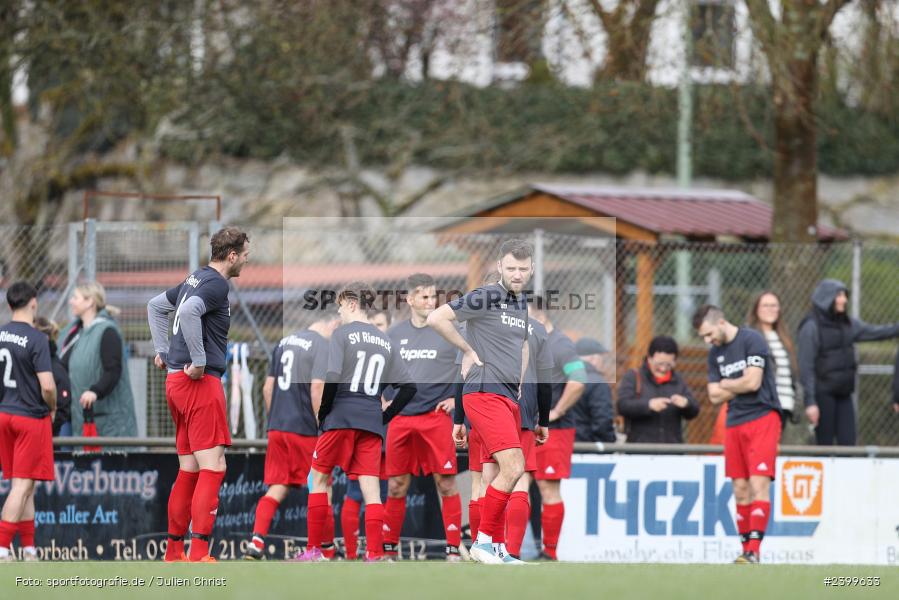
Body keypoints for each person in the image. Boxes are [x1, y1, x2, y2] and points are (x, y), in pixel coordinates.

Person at [428, 239, 537, 565]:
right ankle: (483, 542)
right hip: (484, 392)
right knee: (514, 467)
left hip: (506, 395)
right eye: (511, 268)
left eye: (522, 268)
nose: (517, 274)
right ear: (500, 268)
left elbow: (523, 348)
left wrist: (517, 382)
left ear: (531, 269)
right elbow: (437, 318)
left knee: (504, 472)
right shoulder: (489, 294)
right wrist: (467, 349)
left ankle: (497, 548)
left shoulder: (520, 304)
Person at [147, 226, 250, 562]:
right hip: (197, 383)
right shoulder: (218, 284)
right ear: (232, 255)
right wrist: (201, 360)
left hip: (176, 382)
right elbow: (189, 313)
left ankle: (174, 551)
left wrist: (163, 350)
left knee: (189, 468)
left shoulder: (196, 277)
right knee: (214, 466)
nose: (246, 261)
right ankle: (199, 552)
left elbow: (155, 306)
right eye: (245, 255)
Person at [295, 282, 416, 562]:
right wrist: (384, 415)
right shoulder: (385, 340)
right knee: (371, 488)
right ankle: (374, 553)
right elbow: (409, 387)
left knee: (320, 479)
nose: (338, 312)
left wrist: (324, 413)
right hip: (371, 422)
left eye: (340, 305)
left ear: (351, 302)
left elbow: (333, 375)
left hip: (341, 416)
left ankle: (314, 551)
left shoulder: (342, 334)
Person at [243, 313, 338, 560]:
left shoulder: (284, 342)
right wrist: (324, 426)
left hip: (278, 428)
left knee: (277, 487)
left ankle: (256, 541)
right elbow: (317, 389)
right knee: (322, 487)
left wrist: (275, 418)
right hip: (305, 428)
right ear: (333, 322)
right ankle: (325, 550)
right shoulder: (323, 345)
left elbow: (267, 388)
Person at [383, 274, 463, 561]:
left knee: (446, 483)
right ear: (410, 300)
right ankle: (389, 552)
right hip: (401, 419)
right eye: (424, 297)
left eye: (433, 296)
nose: (430, 302)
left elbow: (469, 364)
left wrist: (456, 399)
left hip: (435, 417)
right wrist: (382, 398)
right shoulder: (393, 334)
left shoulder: (448, 330)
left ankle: (453, 550)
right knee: (396, 486)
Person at [693, 304, 780, 564]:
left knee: (758, 484)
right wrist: (738, 383)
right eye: (704, 338)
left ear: (720, 322)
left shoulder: (751, 339)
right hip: (734, 421)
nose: (708, 341)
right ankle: (745, 551)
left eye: (709, 334)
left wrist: (728, 383)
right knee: (740, 489)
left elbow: (753, 382)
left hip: (763, 416)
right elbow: (713, 395)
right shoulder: (714, 354)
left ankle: (754, 550)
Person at [798, 279, 899, 446]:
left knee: (848, 443)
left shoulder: (848, 324)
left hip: (844, 393)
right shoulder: (811, 326)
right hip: (823, 395)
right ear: (825, 298)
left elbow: (877, 332)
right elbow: (806, 367)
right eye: (839, 295)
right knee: (825, 445)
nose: (844, 300)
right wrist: (810, 402)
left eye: (844, 295)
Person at [0, 282, 57, 562]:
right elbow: (47, 386)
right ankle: (1, 549)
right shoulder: (37, 339)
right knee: (22, 485)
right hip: (29, 417)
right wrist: (54, 407)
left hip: (5, 414)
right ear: (34, 303)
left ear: (10, 305)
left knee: (26, 485)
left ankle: (29, 550)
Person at [527, 295, 586, 561]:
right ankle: (508, 549)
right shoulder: (529, 342)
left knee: (548, 489)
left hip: (556, 430)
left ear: (539, 316)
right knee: (515, 485)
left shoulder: (560, 344)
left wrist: (556, 412)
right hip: (528, 427)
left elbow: (579, 380)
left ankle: (550, 553)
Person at [58, 282, 137, 440]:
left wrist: (95, 391)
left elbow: (113, 370)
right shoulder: (74, 332)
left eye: (75, 298)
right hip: (74, 416)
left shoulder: (107, 331)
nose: (71, 301)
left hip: (106, 422)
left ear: (90, 302)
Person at [747, 291, 807, 443]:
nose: (770, 309)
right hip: (763, 405)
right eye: (765, 305)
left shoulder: (783, 337)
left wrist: (797, 401)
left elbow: (792, 374)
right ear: (756, 309)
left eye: (774, 305)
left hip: (784, 404)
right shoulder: (750, 336)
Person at [616, 336, 699, 444]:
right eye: (659, 364)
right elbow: (622, 405)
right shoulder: (634, 377)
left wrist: (686, 404)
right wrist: (648, 405)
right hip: (640, 450)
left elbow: (694, 410)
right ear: (649, 358)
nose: (663, 368)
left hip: (671, 450)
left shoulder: (678, 380)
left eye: (668, 364)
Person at [573, 337, 616, 443]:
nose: (603, 363)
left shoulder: (562, 377)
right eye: (602, 358)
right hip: (588, 447)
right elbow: (603, 421)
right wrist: (608, 444)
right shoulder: (597, 383)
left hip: (565, 443)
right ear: (593, 359)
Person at [33, 317, 72, 437]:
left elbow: (62, 408)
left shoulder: (55, 367)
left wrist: (44, 430)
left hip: (48, 439)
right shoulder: (32, 362)